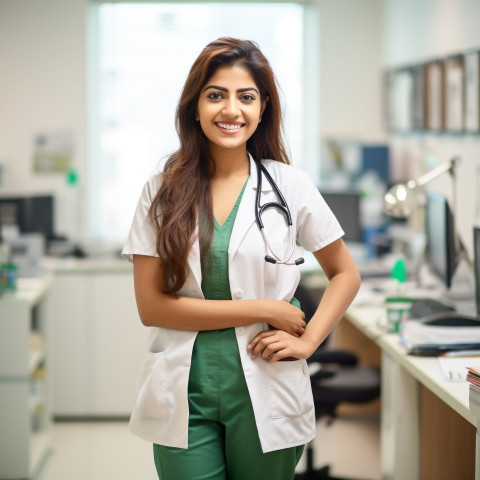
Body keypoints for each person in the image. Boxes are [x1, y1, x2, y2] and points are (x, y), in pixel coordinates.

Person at [122, 37, 361, 480]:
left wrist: (308, 342)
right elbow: (151, 307)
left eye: (245, 97)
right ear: (195, 107)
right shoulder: (160, 192)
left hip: (266, 384)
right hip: (184, 392)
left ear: (262, 107)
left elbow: (345, 273)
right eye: (216, 95)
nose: (231, 110)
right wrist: (265, 309)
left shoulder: (290, 186)